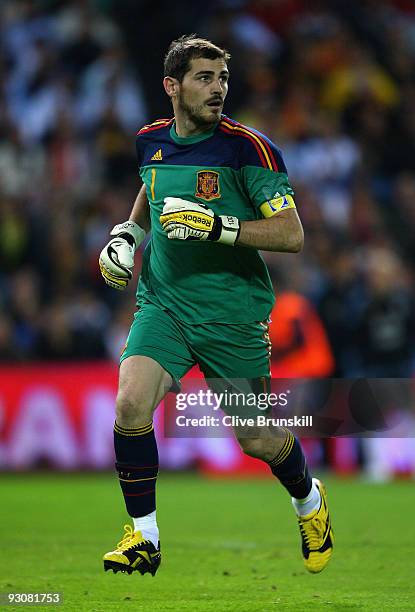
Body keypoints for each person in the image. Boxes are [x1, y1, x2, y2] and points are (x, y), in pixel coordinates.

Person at [99, 34, 333, 577]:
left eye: (222, 78)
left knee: (256, 437)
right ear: (171, 86)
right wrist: (129, 234)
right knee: (130, 404)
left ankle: (308, 498)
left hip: (233, 314)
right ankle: (144, 536)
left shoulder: (247, 148)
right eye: (205, 78)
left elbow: (291, 234)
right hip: (165, 305)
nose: (218, 89)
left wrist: (219, 226)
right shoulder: (148, 140)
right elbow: (149, 185)